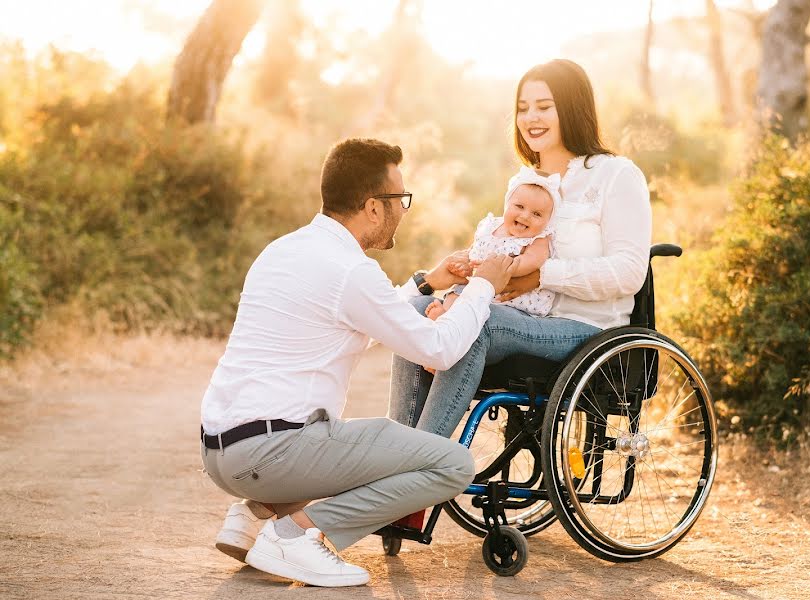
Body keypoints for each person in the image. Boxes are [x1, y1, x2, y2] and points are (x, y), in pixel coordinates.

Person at [200, 138, 515, 587]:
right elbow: (441, 349)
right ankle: (295, 534)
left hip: (221, 452)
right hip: (272, 452)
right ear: (372, 206)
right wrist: (484, 287)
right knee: (452, 466)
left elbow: (358, 319)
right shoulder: (351, 269)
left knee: (367, 441)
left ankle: (255, 516)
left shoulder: (285, 249)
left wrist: (427, 283)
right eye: (400, 199)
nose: (404, 210)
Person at [389, 58, 652, 440]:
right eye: (523, 108)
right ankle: (395, 453)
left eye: (544, 106)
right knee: (415, 312)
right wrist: (474, 266)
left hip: (584, 328)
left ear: (572, 107)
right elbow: (510, 242)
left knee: (478, 321)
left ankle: (419, 474)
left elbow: (630, 272)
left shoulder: (616, 175)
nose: (531, 118)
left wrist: (541, 276)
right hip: (517, 316)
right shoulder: (526, 180)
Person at [425, 167, 562, 322]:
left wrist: (502, 268)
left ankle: (452, 321)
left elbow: (533, 260)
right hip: (482, 287)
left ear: (548, 220)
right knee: (457, 292)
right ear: (507, 204)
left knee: (479, 305)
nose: (525, 216)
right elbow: (475, 252)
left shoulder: (539, 237)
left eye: (537, 214)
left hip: (511, 301)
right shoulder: (490, 226)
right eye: (519, 206)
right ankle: (447, 317)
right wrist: (466, 267)